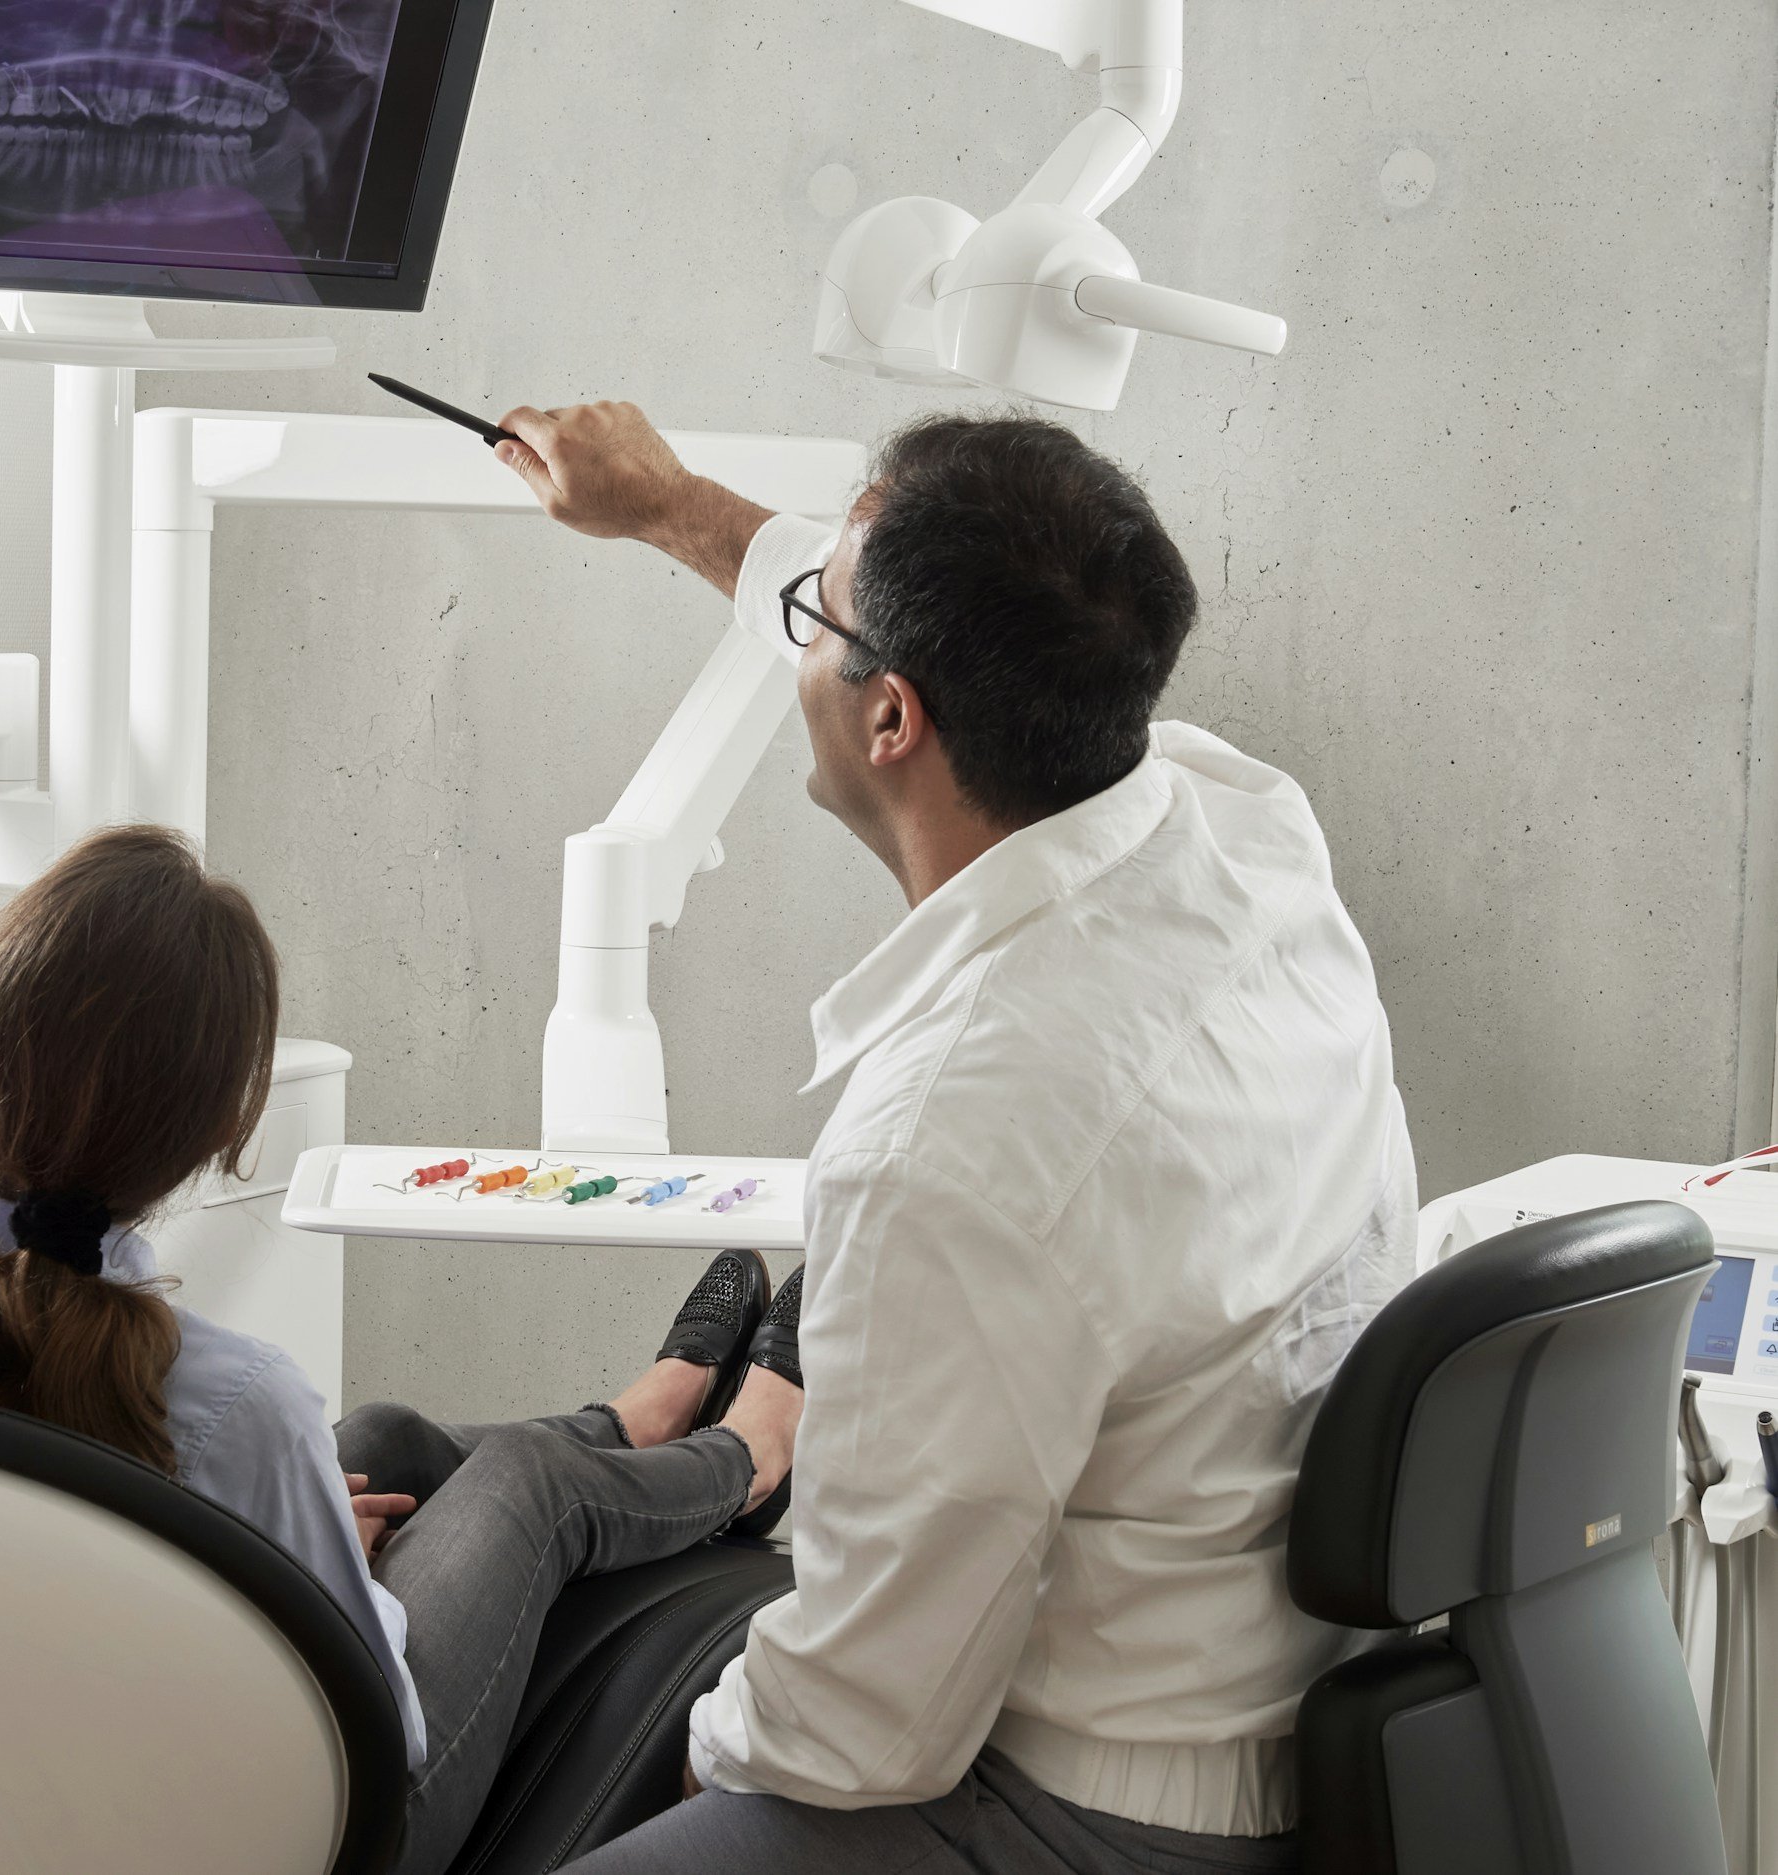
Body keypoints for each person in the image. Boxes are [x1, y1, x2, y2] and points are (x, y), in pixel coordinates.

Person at [486, 404, 1416, 1873]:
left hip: (1079, 1809)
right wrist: (667, 505)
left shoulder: (954, 1137)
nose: (803, 610)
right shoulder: (1242, 823)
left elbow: (861, 1727)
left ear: (892, 718)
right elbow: (892, 602)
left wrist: (675, 1764)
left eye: (818, 613)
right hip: (1261, 1693)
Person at [0, 821, 808, 1875]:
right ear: (215, 1139)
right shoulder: (236, 1404)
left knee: (380, 1439)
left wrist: (298, 1553)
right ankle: (748, 1458)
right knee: (524, 1483)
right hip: (319, 1834)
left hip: (39, 1797)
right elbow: (380, 1722)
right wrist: (332, 1596)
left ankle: (633, 1425)